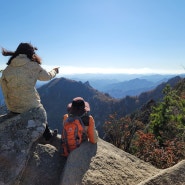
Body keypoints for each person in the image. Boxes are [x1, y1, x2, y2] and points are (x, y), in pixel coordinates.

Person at [0, 42, 59, 141]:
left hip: (13, 107)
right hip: (29, 106)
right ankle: (48, 136)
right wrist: (55, 71)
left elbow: (5, 89)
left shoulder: (8, 69)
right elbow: (47, 77)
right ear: (31, 53)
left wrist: (10, 105)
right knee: (40, 111)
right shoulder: (33, 66)